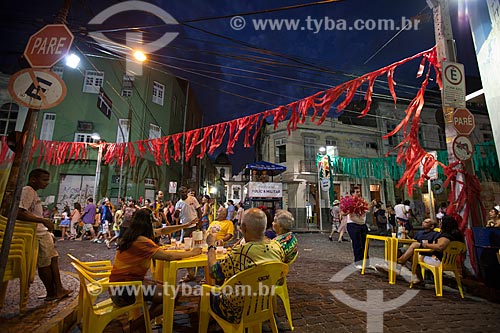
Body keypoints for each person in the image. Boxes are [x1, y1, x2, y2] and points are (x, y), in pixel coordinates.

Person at [109, 209, 202, 329]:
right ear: (148, 224)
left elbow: (163, 230)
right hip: (124, 290)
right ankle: (133, 327)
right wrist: (193, 252)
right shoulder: (142, 241)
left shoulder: (133, 235)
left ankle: (142, 322)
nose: (155, 224)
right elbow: (169, 256)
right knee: (172, 295)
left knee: (167, 290)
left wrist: (185, 225)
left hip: (121, 285)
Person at [206, 208, 285, 324]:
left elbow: (214, 273)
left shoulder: (241, 253)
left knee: (207, 292)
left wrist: (211, 246)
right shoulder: (277, 249)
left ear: (243, 228)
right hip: (264, 305)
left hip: (237, 311)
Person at [18, 168, 71, 301]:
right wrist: (43, 221)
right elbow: (20, 212)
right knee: (45, 263)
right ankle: (51, 293)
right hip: (37, 233)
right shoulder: (27, 191)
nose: (47, 183)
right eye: (44, 179)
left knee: (53, 259)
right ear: (33, 179)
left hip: (42, 233)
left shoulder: (33, 193)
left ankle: (58, 289)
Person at [344, 186, 370, 269]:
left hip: (362, 224)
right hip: (353, 224)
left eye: (359, 192)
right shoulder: (349, 202)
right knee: (357, 244)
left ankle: (366, 262)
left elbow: (366, 210)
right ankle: (358, 262)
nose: (359, 193)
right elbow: (342, 212)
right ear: (352, 193)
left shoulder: (362, 201)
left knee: (365, 243)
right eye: (357, 192)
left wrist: (371, 205)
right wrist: (349, 210)